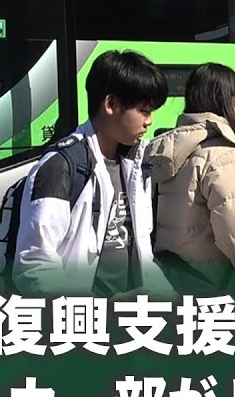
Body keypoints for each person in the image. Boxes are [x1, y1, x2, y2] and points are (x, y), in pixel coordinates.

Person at [11, 49, 174, 299]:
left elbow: (142, 250)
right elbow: (34, 264)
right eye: (144, 110)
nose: (149, 121)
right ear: (111, 104)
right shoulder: (61, 166)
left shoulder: (137, 162)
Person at [147, 63, 235, 301]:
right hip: (212, 284)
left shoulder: (164, 147)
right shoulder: (225, 153)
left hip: (170, 275)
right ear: (226, 100)